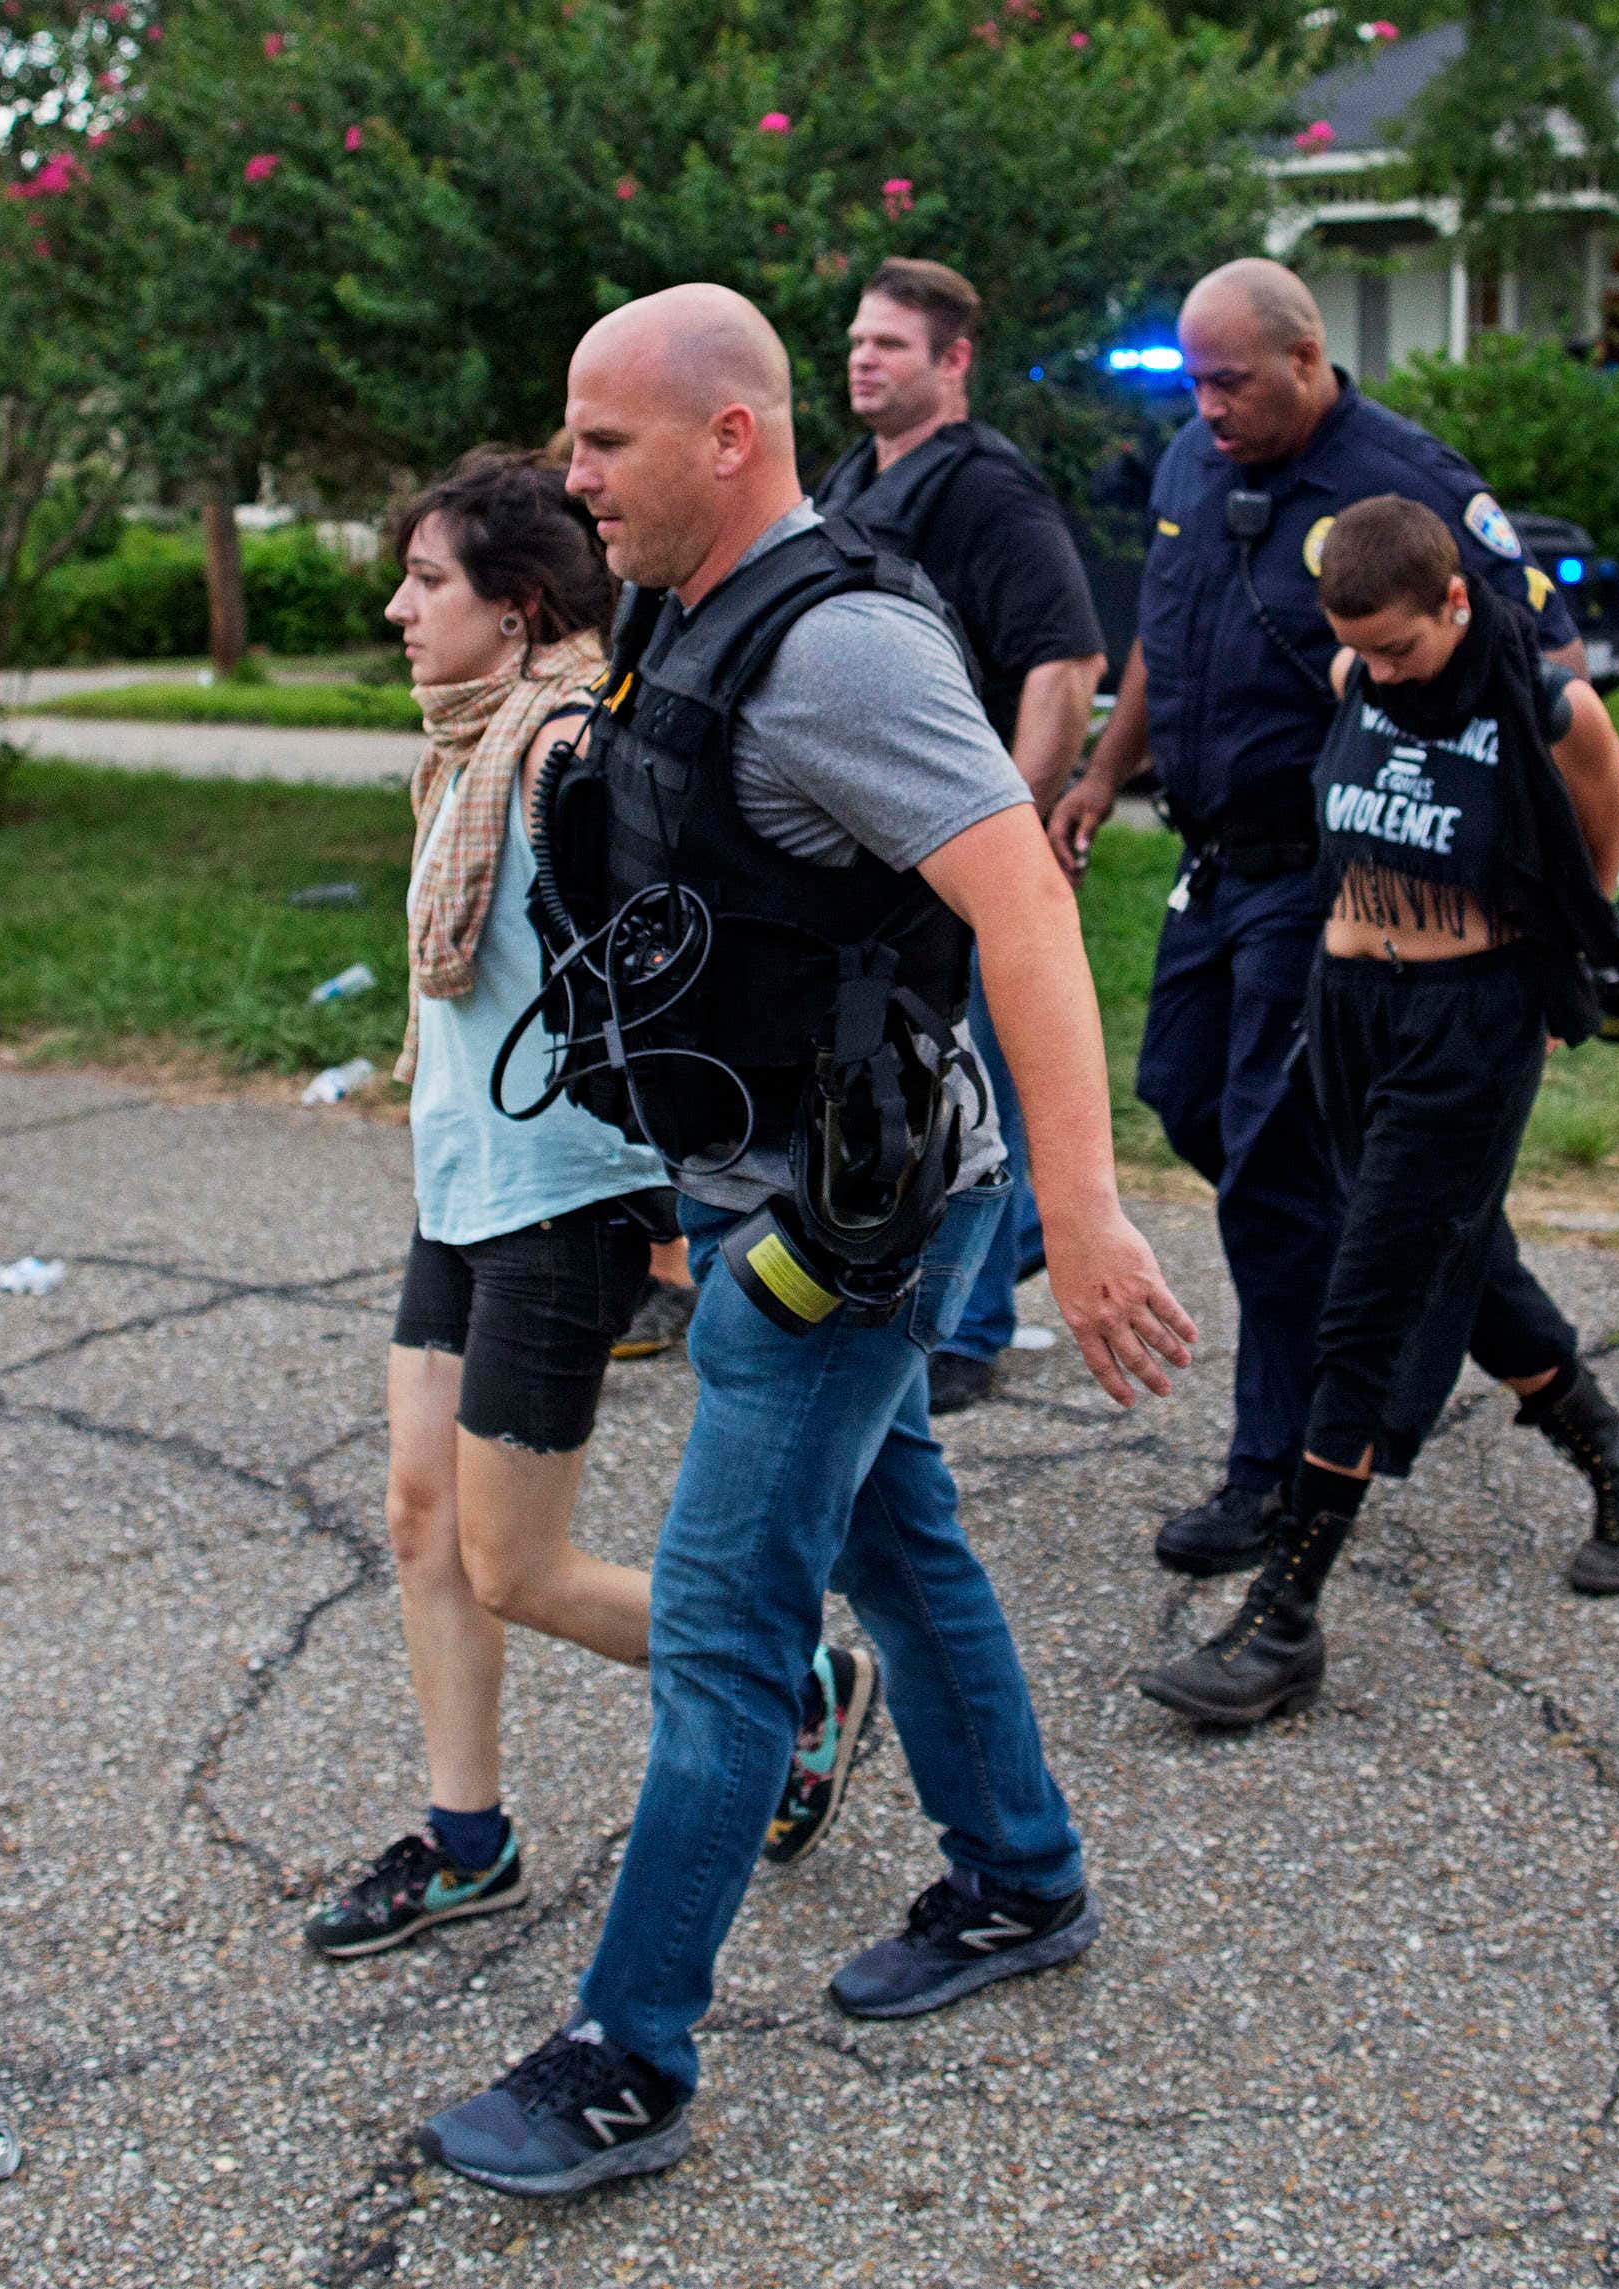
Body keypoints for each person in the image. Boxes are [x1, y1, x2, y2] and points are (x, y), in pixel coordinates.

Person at [415, 285, 1196, 2200]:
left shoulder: (839, 647)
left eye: (602, 444)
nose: (570, 476)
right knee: (898, 1538)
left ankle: (626, 2056)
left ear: (727, 438)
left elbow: (1024, 909)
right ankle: (1021, 1871)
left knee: (720, 1623)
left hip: (855, 1219)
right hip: (756, 1184)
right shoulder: (684, 606)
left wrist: (1084, 1213)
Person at [310, 450, 860, 1957]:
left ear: (522, 603)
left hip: (564, 1201)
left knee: (520, 1563)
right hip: (462, 1188)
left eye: (428, 583)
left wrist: (688, 1195)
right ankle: (465, 1837)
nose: (398, 608)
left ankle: (790, 1672)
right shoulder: (467, 742)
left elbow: (671, 958)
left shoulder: (567, 748)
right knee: (422, 1518)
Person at [1046, 258, 1580, 1583]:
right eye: (1195, 381)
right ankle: (1479, 1307)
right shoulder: (1189, 469)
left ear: (1304, 355)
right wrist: (1105, 775)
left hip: (1333, 876)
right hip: (1215, 861)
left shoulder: (1403, 485)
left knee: (1275, 1173)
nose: (1209, 404)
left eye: (1230, 380)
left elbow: (1536, 670)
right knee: (1193, 1100)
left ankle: (1276, 1467)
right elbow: (1163, 642)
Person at [1136, 497, 1619, 1727]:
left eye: (1400, 648)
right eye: (1363, 652)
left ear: (1456, 601)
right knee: (1464, 1262)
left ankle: (1283, 1616)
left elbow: (1594, 842)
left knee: (1367, 1299)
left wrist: (1547, 973)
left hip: (1467, 1027)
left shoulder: (1548, 708)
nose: (1379, 670)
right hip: (1349, 1011)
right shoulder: (1357, 673)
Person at [816, 257, 1110, 1415]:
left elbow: (1068, 662)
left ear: (954, 362)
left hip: (954, 847)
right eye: (856, 340)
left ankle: (973, 1329)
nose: (863, 358)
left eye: (890, 344)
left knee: (978, 1088)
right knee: (912, 1081)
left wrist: (1010, 834)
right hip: (868, 865)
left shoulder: (988, 491)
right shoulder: (852, 475)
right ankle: (995, 1246)